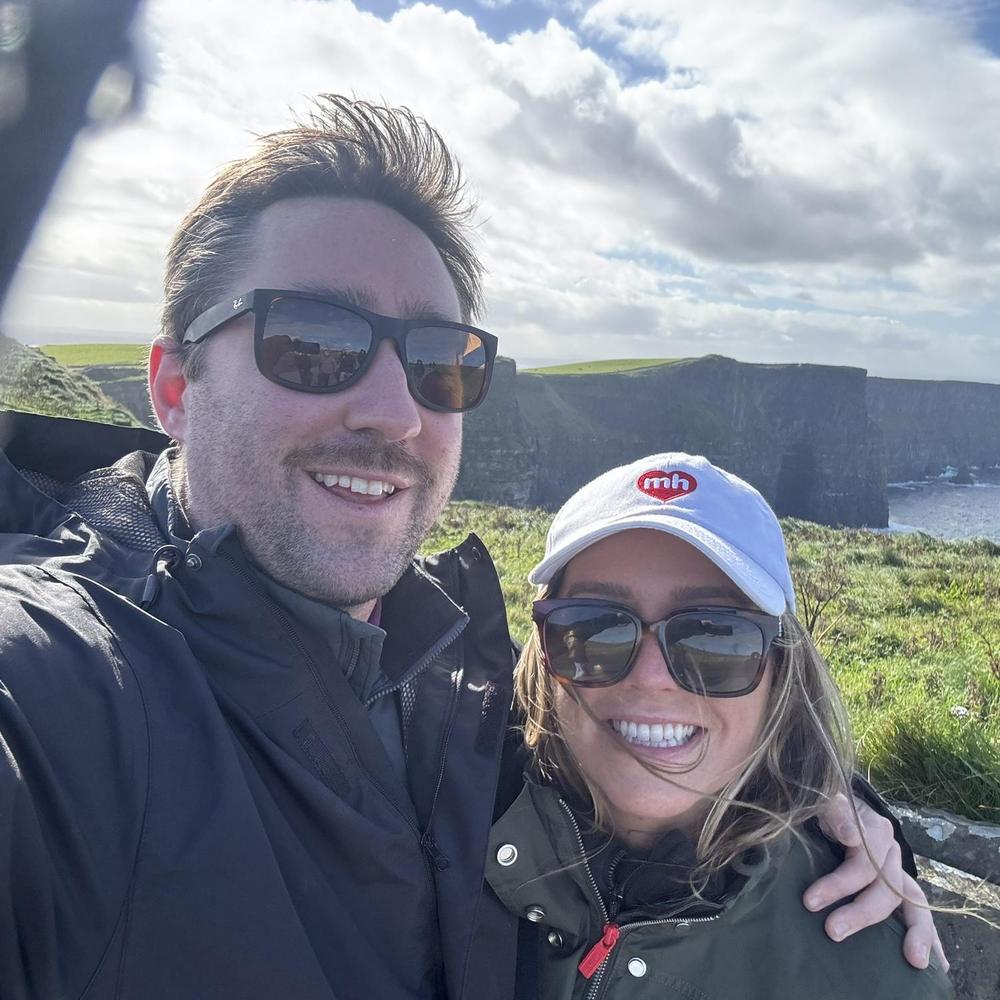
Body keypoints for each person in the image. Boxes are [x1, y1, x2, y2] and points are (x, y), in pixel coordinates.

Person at [0, 97, 940, 1000]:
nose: (394, 412)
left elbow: (644, 727)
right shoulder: (62, 691)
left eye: (436, 362)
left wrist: (816, 794)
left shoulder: (453, 673)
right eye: (313, 341)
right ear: (175, 386)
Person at [487, 453, 952, 999]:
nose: (652, 678)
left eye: (715, 636)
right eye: (594, 628)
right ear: (544, 655)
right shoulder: (444, 819)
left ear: (781, 672)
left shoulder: (878, 979)